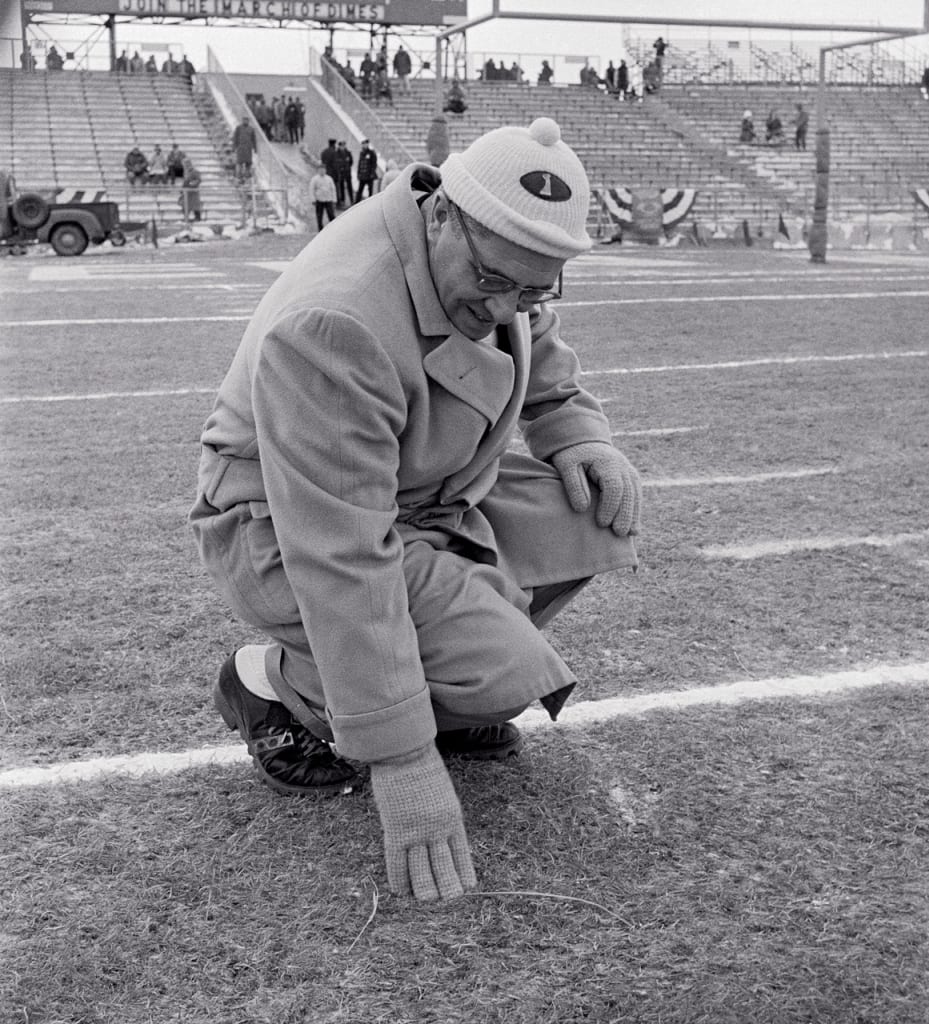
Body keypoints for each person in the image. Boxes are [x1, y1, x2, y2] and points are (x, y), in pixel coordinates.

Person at [189, 116, 641, 902]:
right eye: (496, 281)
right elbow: (340, 551)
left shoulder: (495, 249)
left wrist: (572, 432)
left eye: (535, 286)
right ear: (440, 216)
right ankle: (273, 684)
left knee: (590, 516)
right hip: (285, 528)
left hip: (418, 496)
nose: (508, 306)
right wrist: (401, 759)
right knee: (502, 674)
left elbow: (530, 328)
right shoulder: (336, 320)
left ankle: (437, 674)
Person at [308, 166, 337, 230]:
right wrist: (313, 199)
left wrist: (334, 199)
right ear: (318, 170)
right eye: (320, 170)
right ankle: (320, 229)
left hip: (328, 199)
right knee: (319, 216)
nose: (322, 171)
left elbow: (333, 189)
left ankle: (334, 228)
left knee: (331, 215)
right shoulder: (315, 179)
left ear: (325, 170)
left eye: (323, 170)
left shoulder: (329, 178)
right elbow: (311, 189)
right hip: (319, 200)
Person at [232, 116, 256, 182]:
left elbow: (254, 139)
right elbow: (235, 138)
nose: (245, 121)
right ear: (242, 120)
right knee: (239, 163)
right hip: (240, 149)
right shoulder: (238, 128)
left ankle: (247, 177)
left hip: (248, 149)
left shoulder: (251, 129)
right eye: (244, 120)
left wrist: (255, 148)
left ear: (248, 121)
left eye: (247, 120)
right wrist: (234, 147)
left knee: (248, 164)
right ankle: (238, 177)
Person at [334, 141, 354, 207]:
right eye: (341, 146)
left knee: (349, 187)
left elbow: (351, 162)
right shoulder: (336, 153)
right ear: (339, 146)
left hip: (347, 172)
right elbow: (336, 163)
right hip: (341, 173)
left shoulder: (348, 153)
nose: (342, 147)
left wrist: (347, 167)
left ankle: (352, 200)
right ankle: (343, 201)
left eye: (343, 145)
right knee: (341, 187)